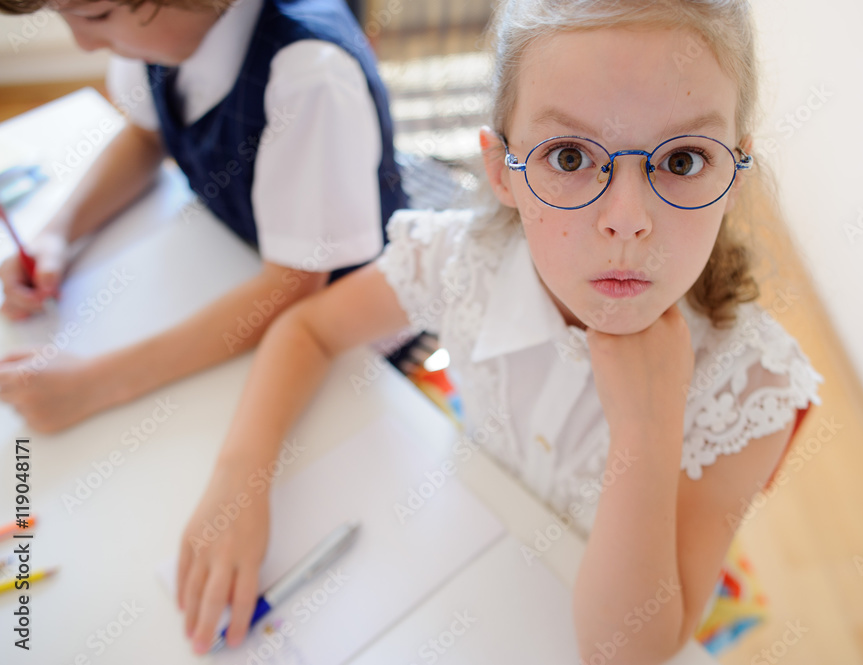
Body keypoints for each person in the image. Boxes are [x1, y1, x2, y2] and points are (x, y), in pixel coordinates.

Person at [177, 0, 824, 659]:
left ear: (736, 175)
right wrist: (239, 480)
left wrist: (646, 432)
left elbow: (627, 650)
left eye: (683, 160)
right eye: (570, 156)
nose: (628, 221)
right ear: (500, 170)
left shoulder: (752, 383)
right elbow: (309, 331)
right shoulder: (461, 260)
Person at [0, 0, 405, 432]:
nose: (83, 44)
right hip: (236, 260)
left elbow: (292, 287)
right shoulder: (165, 39)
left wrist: (93, 384)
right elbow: (144, 137)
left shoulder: (309, 76)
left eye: (97, 16)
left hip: (348, 325)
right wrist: (59, 233)